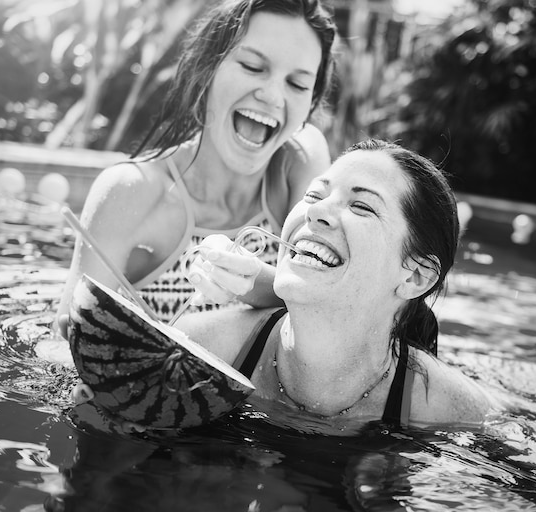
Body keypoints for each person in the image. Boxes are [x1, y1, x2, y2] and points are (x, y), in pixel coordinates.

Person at [172, 138, 500, 427]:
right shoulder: (197, 348)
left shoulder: (451, 409)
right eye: (314, 194)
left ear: (415, 276)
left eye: (361, 206)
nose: (316, 211)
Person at [55, 0, 336, 325]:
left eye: (298, 84)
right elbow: (71, 335)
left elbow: (319, 297)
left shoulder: (300, 159)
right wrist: (80, 328)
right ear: (207, 70)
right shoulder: (132, 191)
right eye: (252, 66)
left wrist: (251, 281)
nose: (273, 96)